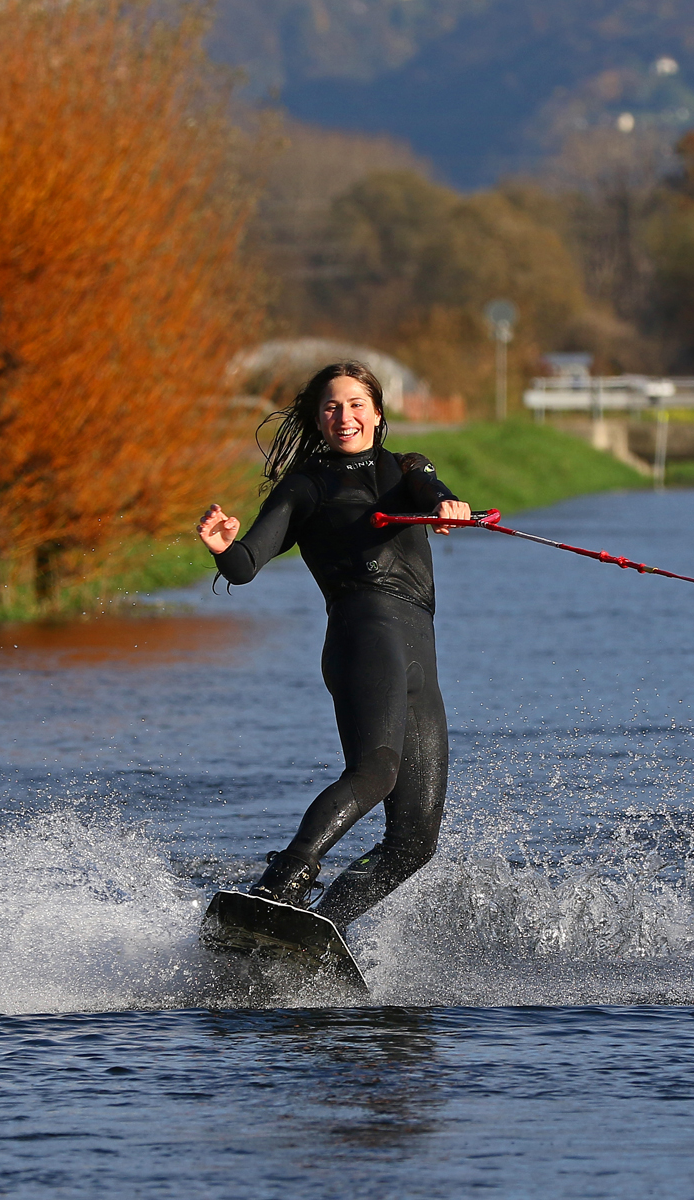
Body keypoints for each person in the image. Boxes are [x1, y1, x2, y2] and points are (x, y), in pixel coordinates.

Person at [196, 361, 471, 928]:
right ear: (317, 419)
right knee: (375, 771)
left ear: (375, 411)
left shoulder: (407, 470)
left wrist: (447, 505)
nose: (343, 416)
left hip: (420, 649)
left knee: (415, 842)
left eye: (353, 404)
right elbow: (247, 564)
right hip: (361, 633)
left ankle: (322, 927)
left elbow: (433, 489)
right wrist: (224, 546)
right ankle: (281, 885)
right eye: (330, 407)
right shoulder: (306, 486)